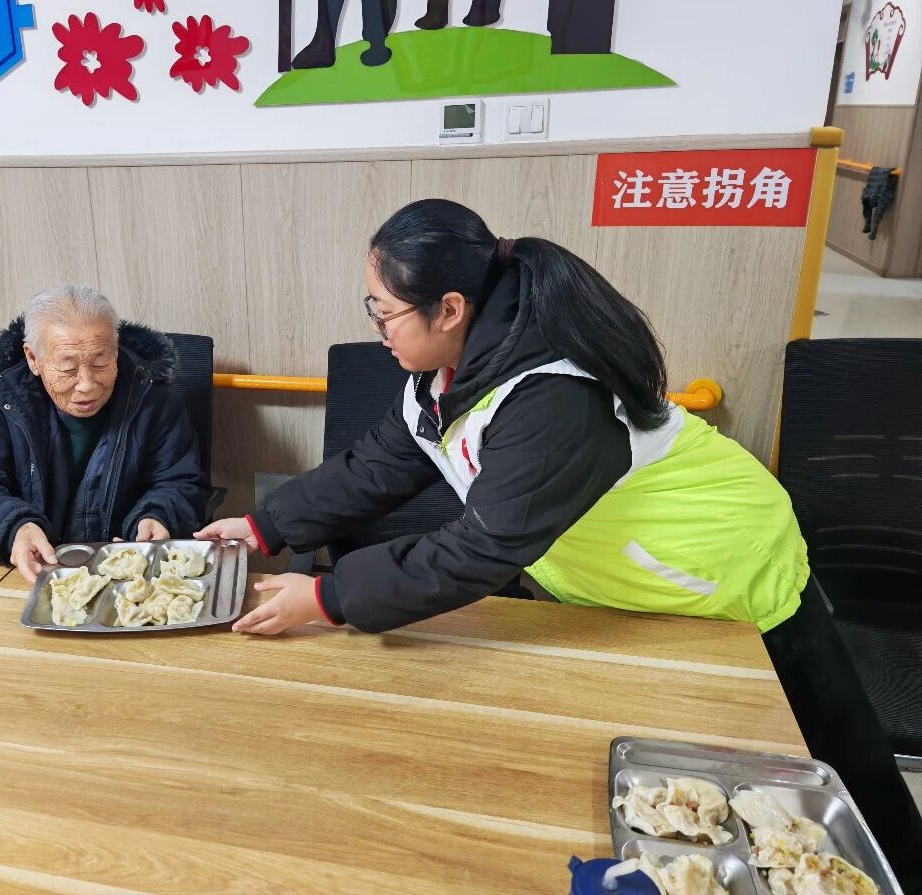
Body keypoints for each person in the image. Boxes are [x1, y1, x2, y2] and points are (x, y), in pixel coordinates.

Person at [197, 199, 922, 882]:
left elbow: (480, 548)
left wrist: (329, 598)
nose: (379, 329)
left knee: (826, 766)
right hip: (624, 586)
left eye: (385, 313)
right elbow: (377, 465)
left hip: (722, 570)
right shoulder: (445, 375)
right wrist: (263, 526)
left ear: (450, 309)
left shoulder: (553, 395)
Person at [0, 285, 209, 583]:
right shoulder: (0, 400)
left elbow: (180, 482)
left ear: (115, 350)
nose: (87, 384)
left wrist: (158, 516)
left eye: (100, 363)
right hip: (31, 569)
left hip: (125, 572)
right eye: (68, 369)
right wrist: (13, 528)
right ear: (33, 358)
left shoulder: (154, 399)